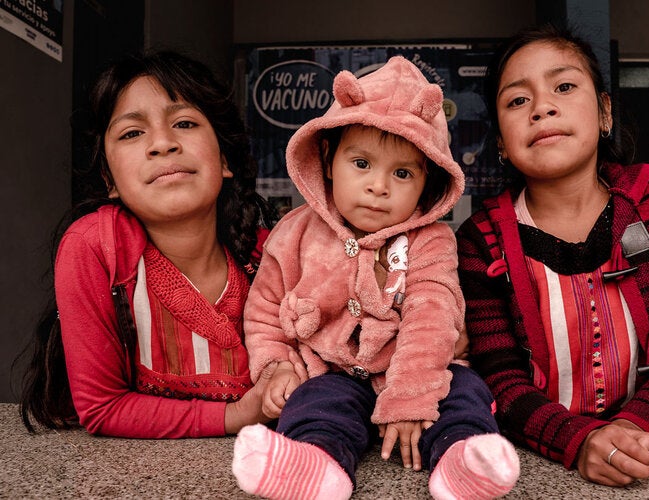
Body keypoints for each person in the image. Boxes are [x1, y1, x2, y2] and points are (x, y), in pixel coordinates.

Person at [231, 56, 520, 500]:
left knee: (463, 392)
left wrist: (409, 396)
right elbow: (265, 309)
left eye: (402, 173)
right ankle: (316, 464)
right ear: (327, 161)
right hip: (330, 370)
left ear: (429, 184)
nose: (378, 186)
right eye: (361, 163)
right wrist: (274, 370)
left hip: (412, 371)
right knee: (316, 404)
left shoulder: (431, 240)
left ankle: (462, 460)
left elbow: (432, 316)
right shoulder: (294, 231)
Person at [455, 24, 649, 487]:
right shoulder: (481, 239)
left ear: (604, 112)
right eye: (518, 100)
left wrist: (635, 423)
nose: (542, 107)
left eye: (564, 86)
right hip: (536, 459)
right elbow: (498, 373)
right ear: (500, 142)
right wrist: (576, 441)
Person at [18, 50, 306, 438]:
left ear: (224, 159)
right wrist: (236, 416)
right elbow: (102, 409)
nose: (162, 143)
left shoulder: (279, 255)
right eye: (133, 133)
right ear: (110, 181)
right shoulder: (96, 247)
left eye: (184, 123)